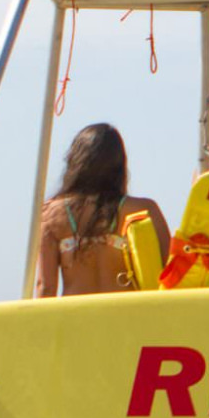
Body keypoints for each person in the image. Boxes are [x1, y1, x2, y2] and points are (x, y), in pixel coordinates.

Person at [34, 123, 170, 297]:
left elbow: (45, 287)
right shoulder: (142, 210)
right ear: (120, 165)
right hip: (128, 318)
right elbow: (170, 275)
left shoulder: (52, 215)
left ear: (75, 162)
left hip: (75, 319)